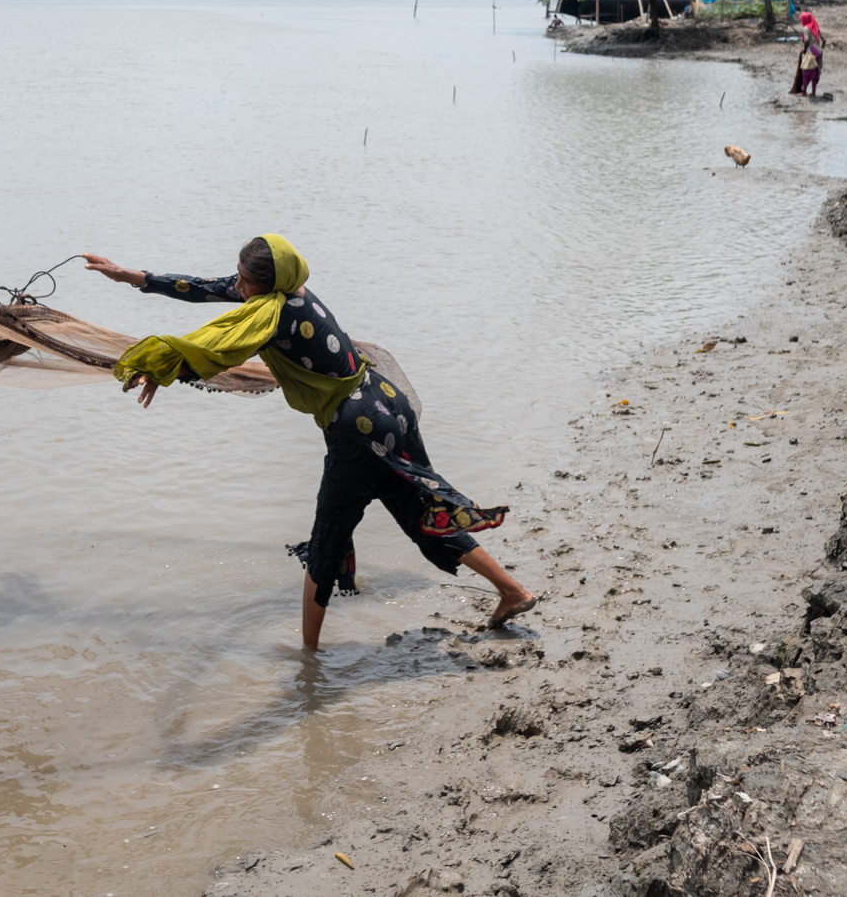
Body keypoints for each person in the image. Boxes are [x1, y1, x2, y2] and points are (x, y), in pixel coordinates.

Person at [81, 236, 536, 648]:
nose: (237, 287)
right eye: (237, 277)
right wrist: (129, 276)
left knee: (326, 541)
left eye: (244, 281)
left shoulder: (270, 315)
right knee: (417, 511)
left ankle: (308, 662)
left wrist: (161, 367)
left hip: (356, 429)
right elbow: (206, 287)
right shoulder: (291, 292)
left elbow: (215, 348)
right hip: (385, 405)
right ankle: (513, 592)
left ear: (266, 283)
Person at [791, 11, 825, 97]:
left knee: (806, 72)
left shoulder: (806, 28)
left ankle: (804, 91)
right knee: (815, 72)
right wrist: (820, 49)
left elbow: (806, 40)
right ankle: (813, 92)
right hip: (818, 52)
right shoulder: (815, 27)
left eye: (802, 19)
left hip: (811, 52)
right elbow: (824, 40)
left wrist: (805, 50)